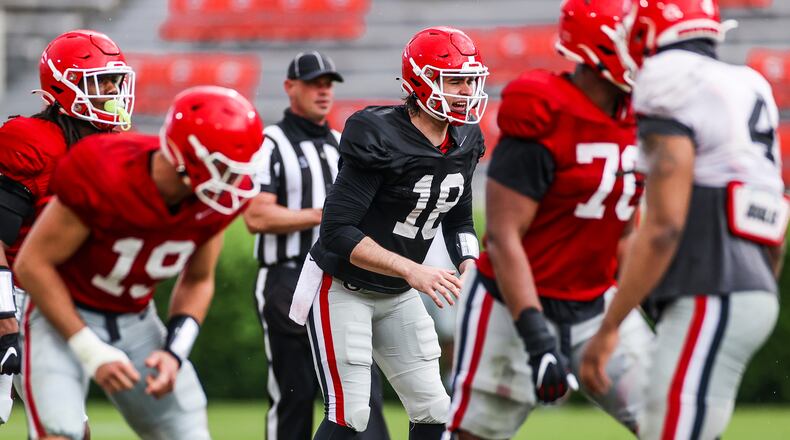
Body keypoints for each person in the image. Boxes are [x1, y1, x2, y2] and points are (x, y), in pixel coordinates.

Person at [444, 1, 657, 439]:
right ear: (598, 48)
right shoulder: (543, 107)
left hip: (596, 303)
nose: (647, 50)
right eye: (635, 39)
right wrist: (538, 338)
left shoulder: (643, 119)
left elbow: (625, 233)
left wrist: (642, 309)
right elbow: (503, 237)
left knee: (676, 422)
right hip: (511, 306)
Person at [580, 1, 785, 439]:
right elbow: (770, 211)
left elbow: (664, 226)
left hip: (710, 285)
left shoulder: (669, 76)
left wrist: (609, 326)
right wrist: (761, 283)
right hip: (753, 287)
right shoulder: (749, 83)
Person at [14, 85, 264, 440]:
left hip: (135, 320)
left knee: (188, 430)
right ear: (186, 156)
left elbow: (198, 280)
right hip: (59, 315)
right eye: (223, 166)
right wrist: (89, 348)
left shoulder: (213, 202)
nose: (234, 183)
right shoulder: (106, 168)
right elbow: (33, 264)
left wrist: (175, 352)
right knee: (61, 431)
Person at [287, 26, 488, 440]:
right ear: (421, 81)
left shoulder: (466, 139)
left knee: (435, 408)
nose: (466, 91)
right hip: (342, 286)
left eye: (470, 80)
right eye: (455, 81)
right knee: (350, 413)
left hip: (396, 292)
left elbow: (459, 219)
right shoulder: (377, 133)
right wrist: (413, 270)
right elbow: (337, 231)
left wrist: (470, 261)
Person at [243, 50, 389, 440]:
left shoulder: (342, 144)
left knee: (361, 385)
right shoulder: (270, 143)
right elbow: (256, 216)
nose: (323, 92)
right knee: (295, 391)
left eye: (328, 85)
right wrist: (326, 216)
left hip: (341, 278)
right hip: (287, 277)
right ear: (291, 87)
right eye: (313, 84)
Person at [0, 29, 135, 428]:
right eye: (101, 81)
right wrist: (5, 316)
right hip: (12, 294)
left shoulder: (109, 148)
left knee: (68, 429)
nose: (112, 90)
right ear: (65, 85)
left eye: (115, 81)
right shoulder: (29, 141)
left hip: (44, 302)